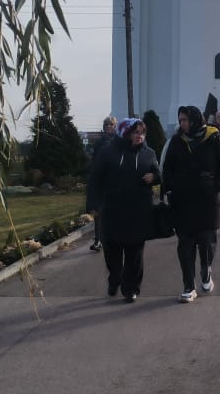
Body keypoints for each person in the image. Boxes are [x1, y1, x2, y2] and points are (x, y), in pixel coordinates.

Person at [85, 118, 161, 303]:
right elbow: (95, 179)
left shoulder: (148, 153)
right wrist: (93, 205)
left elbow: (158, 173)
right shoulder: (108, 152)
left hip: (138, 209)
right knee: (112, 249)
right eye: (135, 132)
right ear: (125, 133)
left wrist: (155, 177)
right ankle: (115, 278)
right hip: (112, 209)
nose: (139, 136)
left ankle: (131, 288)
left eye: (142, 133)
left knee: (135, 252)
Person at [162, 106, 220, 303]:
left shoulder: (213, 137)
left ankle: (206, 269)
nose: (182, 123)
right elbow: (167, 169)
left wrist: (218, 186)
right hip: (183, 201)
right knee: (185, 244)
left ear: (194, 120)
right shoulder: (176, 141)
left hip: (208, 200)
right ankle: (188, 286)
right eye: (180, 120)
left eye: (185, 120)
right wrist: (170, 190)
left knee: (207, 241)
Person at [88, 115, 118, 252]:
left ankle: (114, 237)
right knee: (98, 212)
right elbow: (94, 162)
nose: (108, 127)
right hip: (101, 182)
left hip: (115, 182)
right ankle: (98, 240)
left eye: (111, 125)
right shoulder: (99, 143)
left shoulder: (119, 142)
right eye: (106, 125)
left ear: (115, 126)